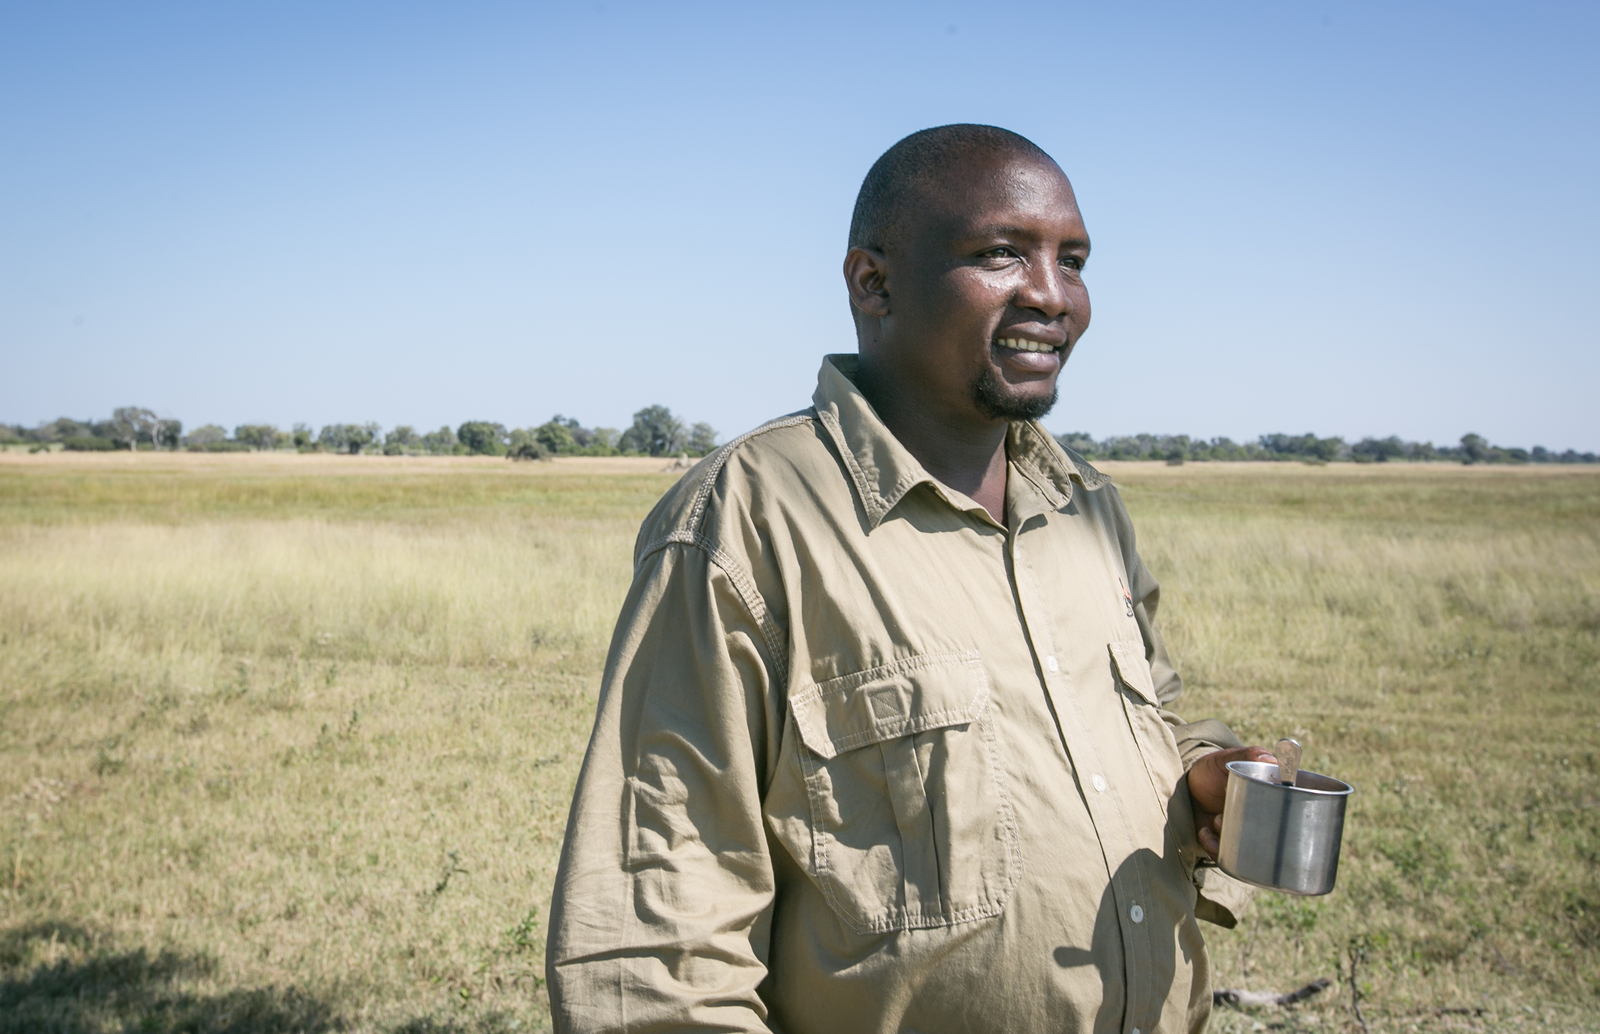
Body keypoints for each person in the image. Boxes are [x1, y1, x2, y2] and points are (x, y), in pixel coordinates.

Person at [546, 124, 1272, 1034]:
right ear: (874, 284)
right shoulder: (748, 521)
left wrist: (1197, 772)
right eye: (1002, 253)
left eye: (1074, 260)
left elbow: (1145, 720)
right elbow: (655, 950)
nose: (1053, 295)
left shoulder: (1087, 510)